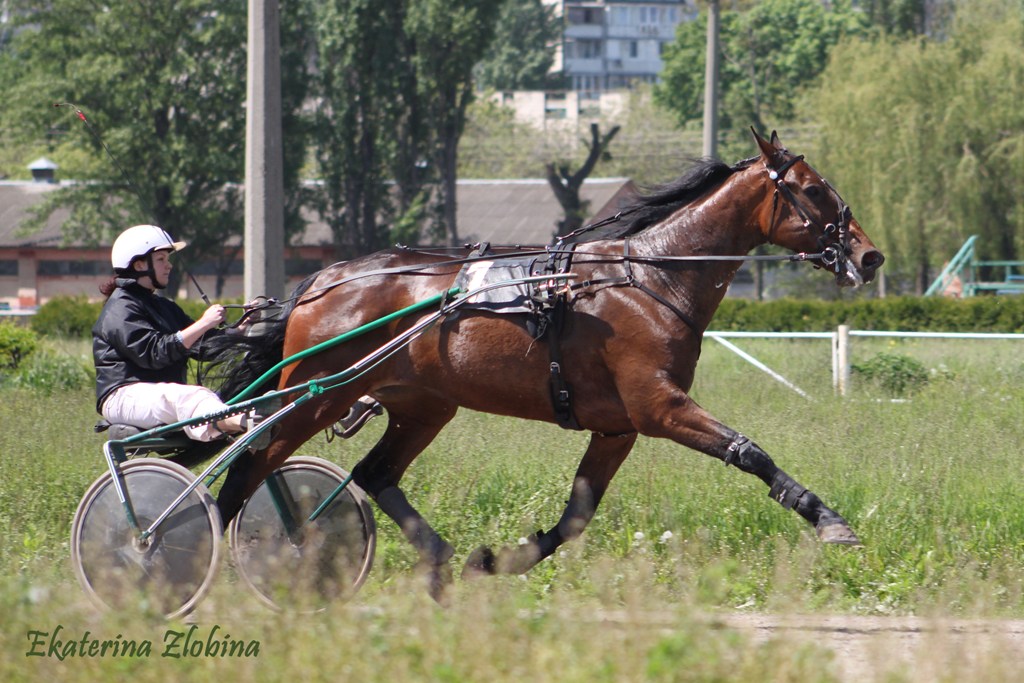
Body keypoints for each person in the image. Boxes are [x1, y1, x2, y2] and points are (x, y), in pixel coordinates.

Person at [93, 224, 253, 442]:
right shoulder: (119, 308)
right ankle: (247, 424)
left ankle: (242, 426)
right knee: (193, 396)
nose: (169, 266)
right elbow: (155, 354)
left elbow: (203, 347)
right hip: (122, 397)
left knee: (196, 395)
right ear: (139, 264)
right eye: (161, 260)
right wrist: (204, 323)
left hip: (156, 394)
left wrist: (241, 329)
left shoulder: (162, 306)